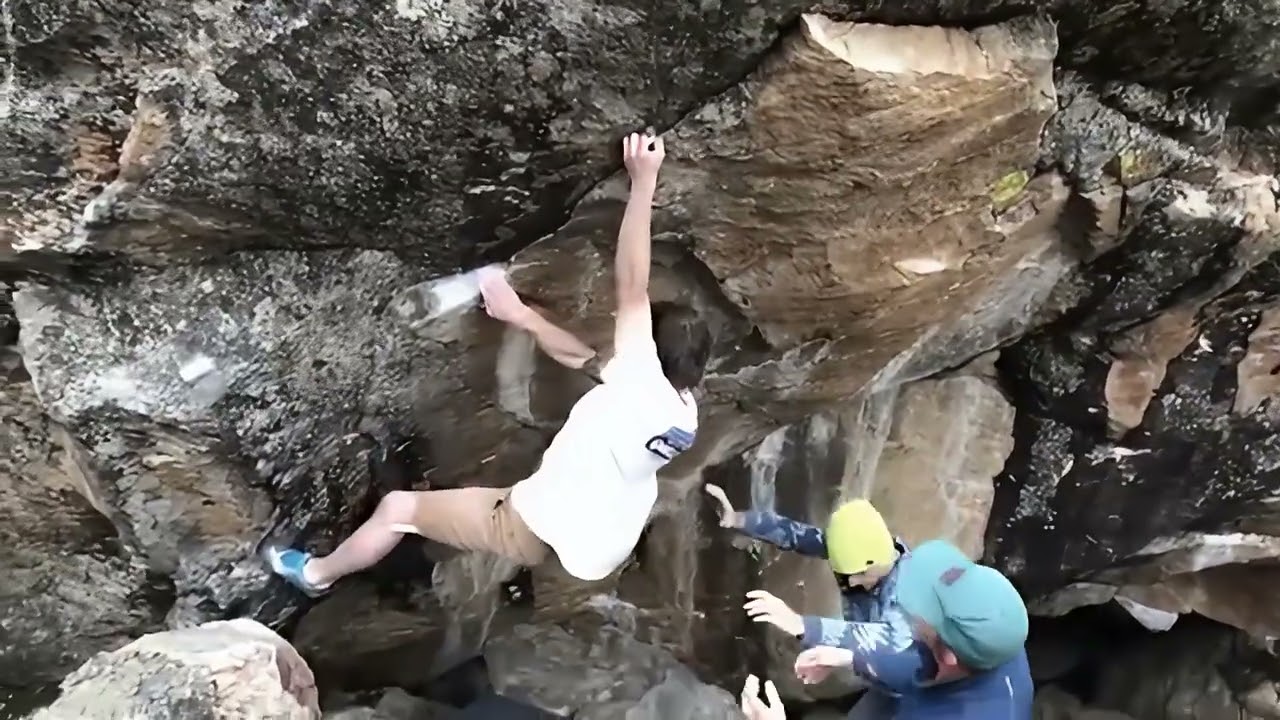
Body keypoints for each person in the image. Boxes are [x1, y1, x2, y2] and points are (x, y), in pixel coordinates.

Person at [266, 131, 712, 593]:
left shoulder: (638, 378)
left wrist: (643, 181)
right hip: (598, 546)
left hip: (533, 524)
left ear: (648, 353)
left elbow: (632, 284)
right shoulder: (679, 410)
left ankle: (315, 575)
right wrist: (520, 314)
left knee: (398, 511)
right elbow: (591, 360)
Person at [705, 485, 912, 718]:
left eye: (859, 575)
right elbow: (797, 535)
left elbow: (890, 641)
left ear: (877, 562)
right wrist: (739, 519)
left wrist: (802, 625)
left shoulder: (910, 591)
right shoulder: (857, 547)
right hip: (884, 685)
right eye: (846, 575)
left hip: (922, 694)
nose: (852, 583)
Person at [791, 539, 1033, 720]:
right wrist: (850, 657)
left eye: (919, 615)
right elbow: (917, 656)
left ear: (948, 656)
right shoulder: (994, 632)